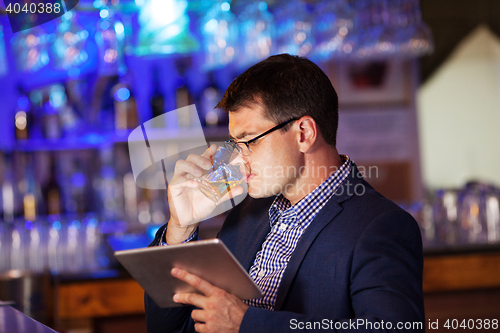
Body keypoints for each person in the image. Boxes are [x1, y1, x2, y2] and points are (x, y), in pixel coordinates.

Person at [145, 54, 425, 333]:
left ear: (303, 133)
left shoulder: (380, 226)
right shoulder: (247, 214)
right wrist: (181, 227)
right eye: (235, 144)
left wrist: (247, 324)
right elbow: (173, 329)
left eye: (249, 142)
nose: (238, 160)